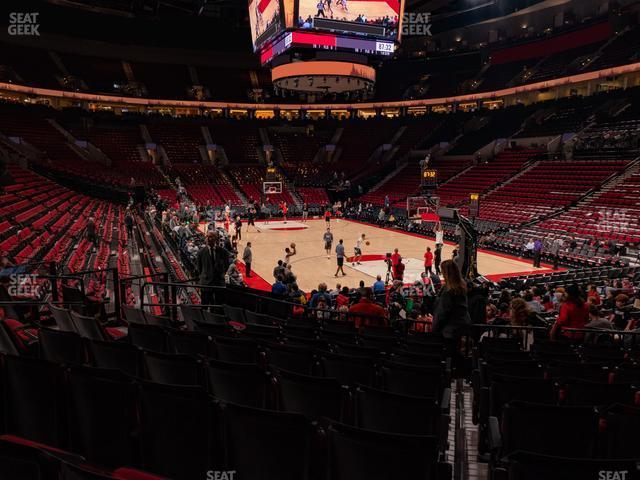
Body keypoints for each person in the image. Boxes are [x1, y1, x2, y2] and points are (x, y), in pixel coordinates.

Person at [432, 260, 471, 340]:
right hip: (463, 327)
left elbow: (442, 313)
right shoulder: (462, 287)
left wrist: (434, 329)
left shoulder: (448, 290)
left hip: (450, 331)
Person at [197, 231, 230, 307]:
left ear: (216, 238)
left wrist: (220, 274)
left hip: (219, 283)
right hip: (205, 284)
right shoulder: (200, 252)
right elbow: (199, 268)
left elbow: (226, 266)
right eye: (207, 236)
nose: (208, 238)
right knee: (204, 306)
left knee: (219, 307)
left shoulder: (223, 252)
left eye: (211, 236)